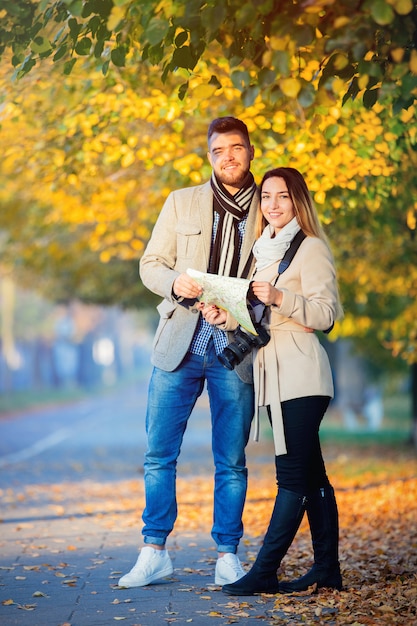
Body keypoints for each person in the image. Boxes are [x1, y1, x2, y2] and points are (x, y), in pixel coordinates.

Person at [118, 117, 259, 589]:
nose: (228, 157)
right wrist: (173, 282)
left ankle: (227, 555)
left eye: (236, 148)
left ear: (250, 152)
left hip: (234, 349)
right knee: (159, 454)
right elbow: (150, 264)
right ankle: (154, 551)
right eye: (218, 150)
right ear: (210, 156)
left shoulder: (271, 207)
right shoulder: (181, 202)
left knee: (231, 459)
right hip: (179, 343)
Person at [203, 167, 343, 596]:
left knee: (291, 479)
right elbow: (258, 319)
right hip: (272, 373)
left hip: (301, 374)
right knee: (314, 478)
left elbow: (327, 314)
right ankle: (326, 570)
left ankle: (264, 570)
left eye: (282, 196)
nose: (273, 204)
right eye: (266, 197)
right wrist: (225, 317)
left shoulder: (311, 248)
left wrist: (281, 296)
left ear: (297, 200)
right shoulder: (263, 251)